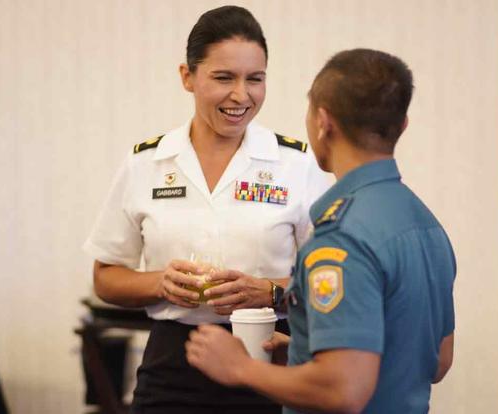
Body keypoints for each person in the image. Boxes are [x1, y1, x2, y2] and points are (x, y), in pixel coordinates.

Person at [83, 5, 332, 414]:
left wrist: (269, 291)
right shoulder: (147, 163)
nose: (241, 95)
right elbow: (106, 277)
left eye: (255, 79)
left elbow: (330, 280)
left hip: (270, 355)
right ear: (187, 76)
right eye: (223, 78)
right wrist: (161, 283)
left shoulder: (296, 164)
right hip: (173, 362)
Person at [186, 48, 456, 414]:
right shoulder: (425, 224)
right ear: (402, 125)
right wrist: (305, 359)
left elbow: (342, 390)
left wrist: (241, 367)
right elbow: (438, 361)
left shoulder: (342, 239)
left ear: (323, 122)